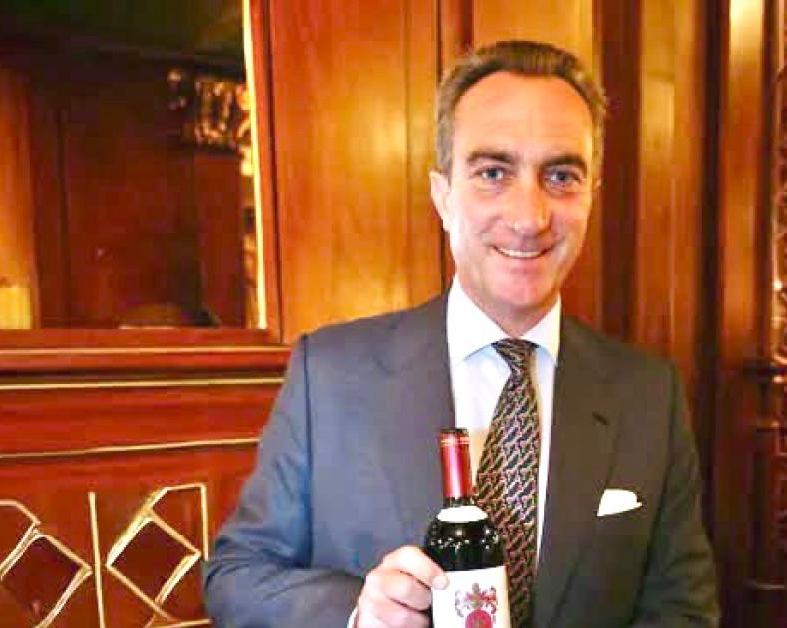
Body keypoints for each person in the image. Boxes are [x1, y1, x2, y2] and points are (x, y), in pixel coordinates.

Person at [203, 40, 719, 628]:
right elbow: (234, 577)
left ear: (591, 197)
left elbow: (684, 610)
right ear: (443, 195)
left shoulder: (649, 395)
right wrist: (356, 613)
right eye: (493, 173)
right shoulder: (330, 375)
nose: (529, 218)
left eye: (561, 176)